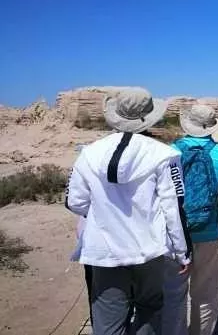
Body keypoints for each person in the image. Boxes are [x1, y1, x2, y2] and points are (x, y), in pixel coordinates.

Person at [66, 87, 192, 335]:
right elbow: (173, 207)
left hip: (103, 250)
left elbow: (75, 202)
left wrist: (104, 212)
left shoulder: (89, 153)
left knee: (108, 321)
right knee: (149, 310)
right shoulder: (166, 155)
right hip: (148, 250)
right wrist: (182, 252)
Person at [167, 103, 218, 335]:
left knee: (173, 293)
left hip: (174, 234)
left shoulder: (171, 151)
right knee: (206, 293)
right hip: (209, 233)